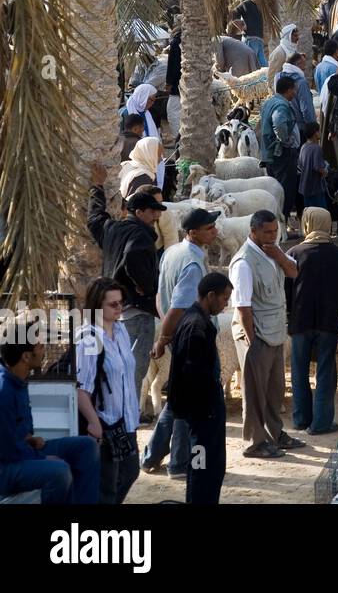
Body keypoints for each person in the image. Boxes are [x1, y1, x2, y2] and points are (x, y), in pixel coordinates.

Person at [142, 207, 220, 480]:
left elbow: (160, 296)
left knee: (177, 400)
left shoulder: (172, 251)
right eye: (209, 228)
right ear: (193, 232)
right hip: (191, 339)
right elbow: (178, 307)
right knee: (192, 401)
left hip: (178, 334)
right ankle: (178, 464)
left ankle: (151, 455)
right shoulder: (191, 262)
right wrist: (164, 337)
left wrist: (166, 332)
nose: (215, 231)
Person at [0, 320, 100, 503]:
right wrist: (42, 457)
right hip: (6, 468)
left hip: (22, 450)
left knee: (87, 447)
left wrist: (30, 439)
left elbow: (14, 432)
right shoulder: (4, 391)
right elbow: (7, 451)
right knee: (59, 471)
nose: (43, 348)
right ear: (26, 356)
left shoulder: (18, 379)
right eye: (38, 346)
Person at [231, 210, 304, 458]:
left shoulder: (272, 252)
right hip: (256, 335)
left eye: (275, 231)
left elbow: (294, 272)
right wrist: (252, 342)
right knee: (254, 391)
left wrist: (279, 254)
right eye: (267, 232)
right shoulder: (244, 262)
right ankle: (254, 442)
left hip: (274, 332)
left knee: (275, 389)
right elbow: (243, 307)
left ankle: (275, 433)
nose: (273, 236)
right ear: (253, 231)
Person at [87, 165, 163, 403]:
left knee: (113, 366)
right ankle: (126, 413)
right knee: (133, 370)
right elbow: (132, 257)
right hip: (137, 312)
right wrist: (146, 286)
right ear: (139, 212)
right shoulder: (141, 235)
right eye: (153, 213)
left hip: (113, 313)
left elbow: (95, 218)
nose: (156, 217)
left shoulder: (112, 228)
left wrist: (97, 188)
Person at [163, 271, 232, 503]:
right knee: (204, 471)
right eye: (224, 299)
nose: (226, 304)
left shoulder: (195, 321)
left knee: (206, 469)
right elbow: (193, 373)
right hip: (203, 415)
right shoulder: (195, 326)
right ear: (210, 296)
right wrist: (207, 407)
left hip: (203, 412)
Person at [285, 207, 338, 436]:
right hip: (329, 321)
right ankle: (322, 423)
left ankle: (301, 419)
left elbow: (287, 290)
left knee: (299, 370)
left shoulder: (294, 253)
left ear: (307, 224)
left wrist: (288, 317)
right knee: (325, 370)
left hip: (300, 321)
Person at [74, 278, 141, 503]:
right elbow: (81, 388)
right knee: (107, 486)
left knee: (130, 472)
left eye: (121, 303)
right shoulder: (88, 338)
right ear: (97, 306)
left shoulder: (121, 330)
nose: (120, 308)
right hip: (104, 424)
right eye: (113, 304)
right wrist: (94, 423)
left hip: (127, 421)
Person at [259, 74, 302, 226]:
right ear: (288, 90)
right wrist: (287, 141)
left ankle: (275, 225)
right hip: (281, 155)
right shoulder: (281, 105)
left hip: (270, 154)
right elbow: (279, 124)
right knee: (284, 191)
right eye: (294, 90)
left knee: (274, 191)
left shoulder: (270, 101)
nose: (295, 93)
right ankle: (281, 225)